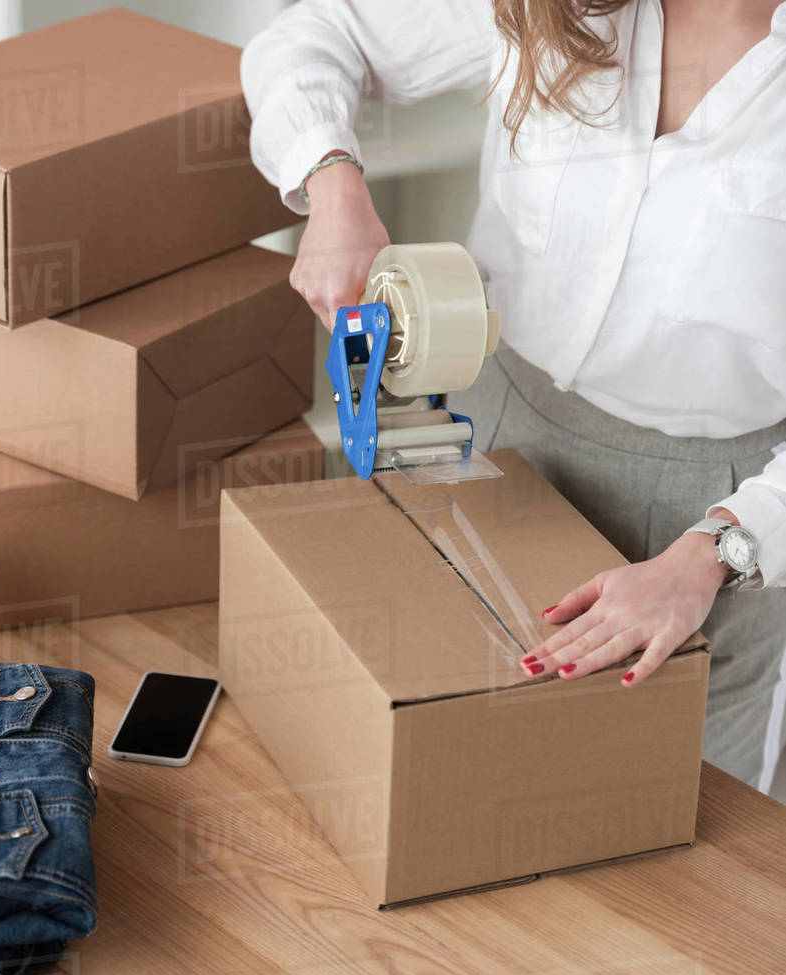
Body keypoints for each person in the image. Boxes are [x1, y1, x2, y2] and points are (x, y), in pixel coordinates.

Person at [241, 0, 786, 793]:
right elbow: (310, 36)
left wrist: (715, 556)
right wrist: (334, 190)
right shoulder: (553, 7)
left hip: (720, 515)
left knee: (677, 811)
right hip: (496, 434)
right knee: (459, 763)